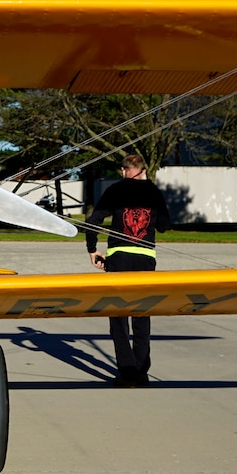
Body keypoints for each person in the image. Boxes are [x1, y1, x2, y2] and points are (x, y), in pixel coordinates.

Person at [87, 153, 171, 386]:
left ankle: (127, 371)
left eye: (123, 169)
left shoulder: (115, 191)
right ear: (143, 170)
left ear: (130, 169)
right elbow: (164, 225)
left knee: (118, 316)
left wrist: (92, 249)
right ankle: (141, 371)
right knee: (142, 315)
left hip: (119, 258)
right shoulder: (153, 192)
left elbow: (93, 220)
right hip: (145, 259)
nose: (121, 173)